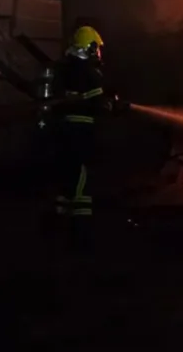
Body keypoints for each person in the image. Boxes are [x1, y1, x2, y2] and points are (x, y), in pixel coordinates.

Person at [43, 26, 125, 243]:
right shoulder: (88, 72)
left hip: (61, 130)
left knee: (66, 182)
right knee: (82, 182)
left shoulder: (63, 68)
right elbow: (98, 103)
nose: (98, 53)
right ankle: (81, 235)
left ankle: (54, 229)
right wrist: (112, 105)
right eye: (96, 48)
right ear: (90, 47)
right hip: (80, 132)